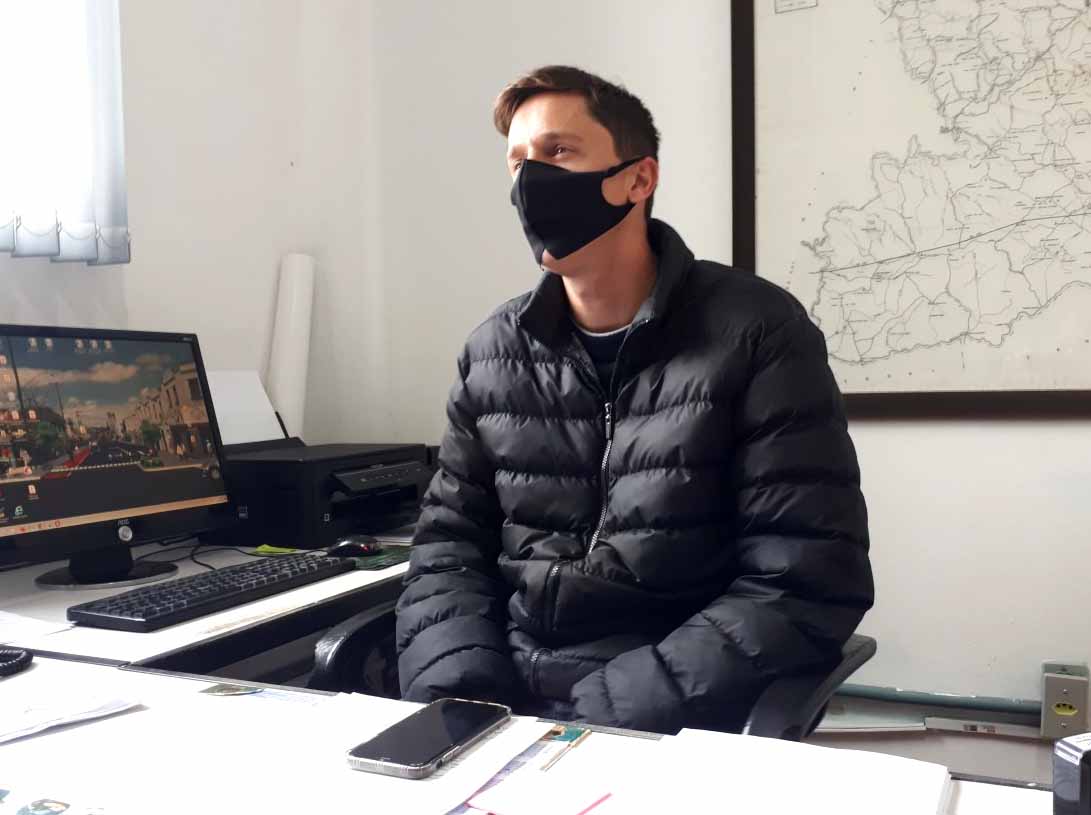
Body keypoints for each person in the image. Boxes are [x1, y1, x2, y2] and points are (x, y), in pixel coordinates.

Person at [395, 66, 874, 735]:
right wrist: (462, 700)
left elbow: (806, 577)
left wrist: (603, 716)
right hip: (505, 705)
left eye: (559, 152)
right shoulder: (492, 351)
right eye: (519, 162)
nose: (531, 182)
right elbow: (447, 551)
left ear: (638, 179)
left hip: (667, 714)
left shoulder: (756, 333)